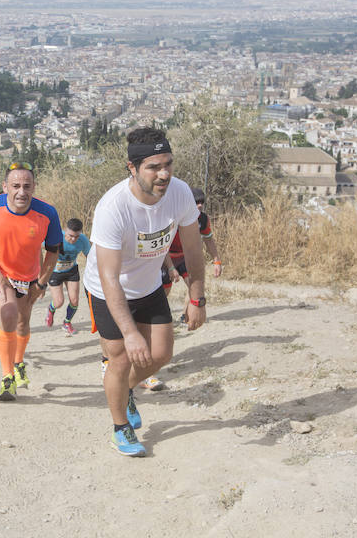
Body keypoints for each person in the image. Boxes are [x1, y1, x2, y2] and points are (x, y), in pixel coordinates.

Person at [83, 127, 206, 457]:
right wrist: (130, 333)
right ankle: (120, 427)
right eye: (154, 167)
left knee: (161, 354)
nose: (163, 173)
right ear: (132, 168)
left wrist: (196, 298)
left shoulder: (179, 193)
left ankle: (125, 391)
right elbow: (109, 277)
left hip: (148, 285)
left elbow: (194, 250)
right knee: (120, 358)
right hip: (108, 290)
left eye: (168, 164)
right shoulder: (113, 207)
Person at [0, 162, 62, 401]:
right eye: (15, 186)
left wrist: (42, 283)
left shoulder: (47, 213)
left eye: (27, 186)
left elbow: (53, 250)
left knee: (21, 322)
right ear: (5, 187)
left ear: (34, 187)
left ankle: (18, 364)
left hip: (27, 277)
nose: (21, 192)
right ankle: (6, 377)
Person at [162, 186, 223, 305]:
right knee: (165, 289)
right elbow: (163, 244)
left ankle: (186, 317)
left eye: (202, 202)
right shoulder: (175, 216)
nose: (199, 205)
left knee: (194, 286)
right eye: (196, 202)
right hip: (166, 257)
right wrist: (170, 267)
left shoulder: (203, 219)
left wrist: (217, 261)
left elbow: (209, 239)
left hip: (184, 257)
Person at [44, 217, 90, 335]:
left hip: (71, 270)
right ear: (65, 230)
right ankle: (51, 309)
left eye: (76, 236)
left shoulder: (83, 240)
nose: (73, 239)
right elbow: (38, 248)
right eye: (70, 235)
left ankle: (67, 322)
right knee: (59, 302)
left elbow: (90, 257)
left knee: (74, 300)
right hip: (55, 272)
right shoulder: (56, 237)